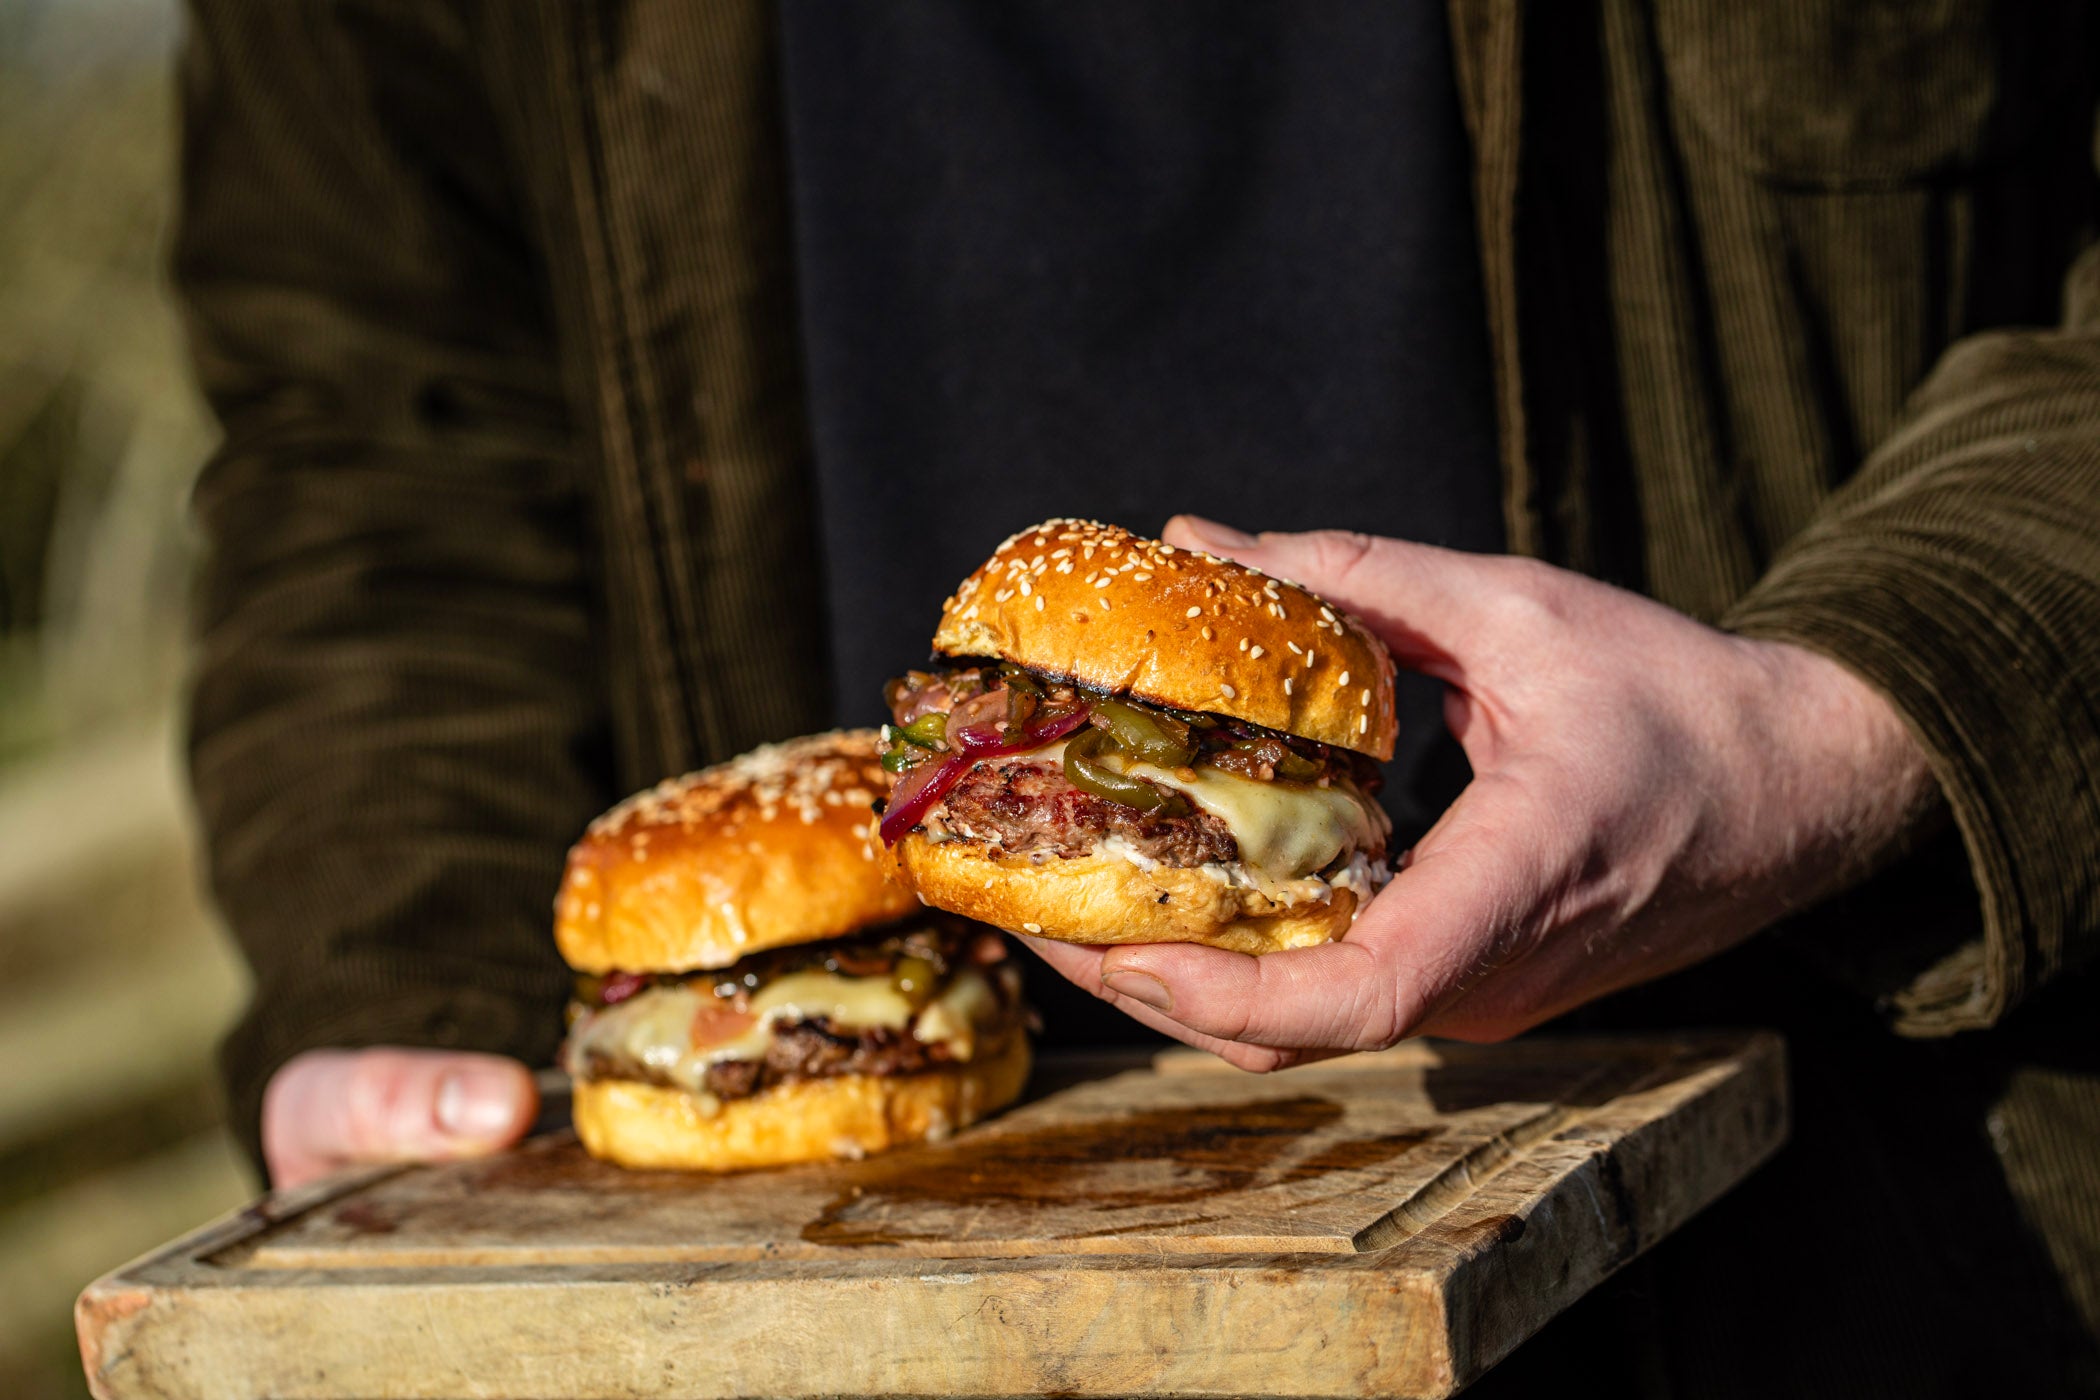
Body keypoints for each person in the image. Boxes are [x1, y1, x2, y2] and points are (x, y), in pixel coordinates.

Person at [177, 3, 2100, 1393]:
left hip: (1859, 1203)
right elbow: (373, 432)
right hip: (836, 1284)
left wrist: (1855, 706)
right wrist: (409, 991)